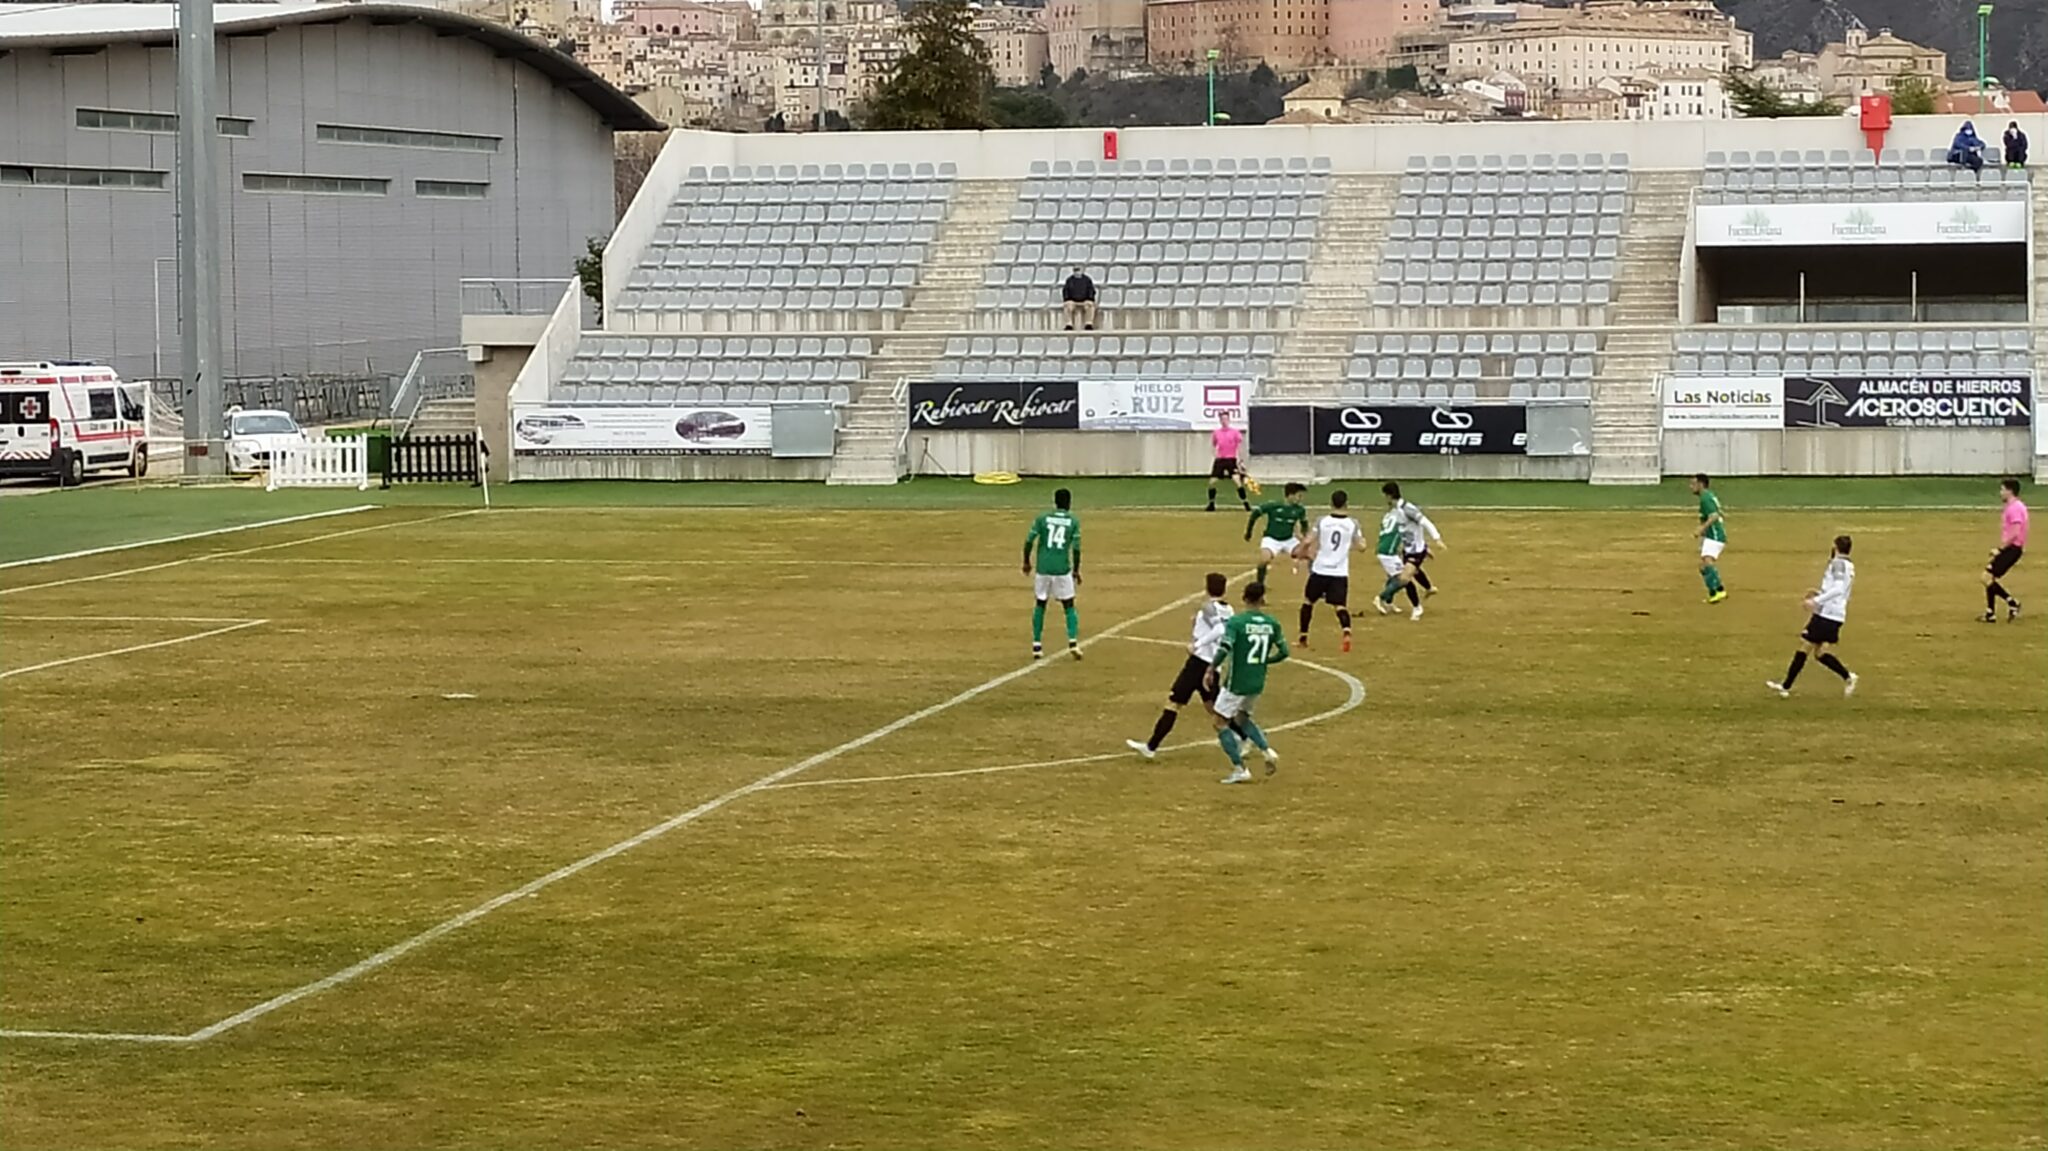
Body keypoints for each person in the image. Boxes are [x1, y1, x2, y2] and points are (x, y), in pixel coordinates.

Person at [1126, 572, 1249, 760]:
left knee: (1174, 702)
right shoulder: (1229, 609)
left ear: (1207, 587)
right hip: (1212, 664)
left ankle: (1151, 747)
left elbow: (1219, 629)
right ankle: (1242, 736)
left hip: (1199, 663)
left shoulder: (1208, 607)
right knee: (1214, 709)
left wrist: (1197, 644)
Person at [1204, 581, 1289, 784]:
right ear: (1263, 599)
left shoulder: (1237, 622)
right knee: (1242, 718)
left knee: (1219, 722)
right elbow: (1284, 652)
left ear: (1244, 598)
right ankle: (1266, 750)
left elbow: (1225, 647)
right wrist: (1265, 661)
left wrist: (1210, 668)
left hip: (1237, 680)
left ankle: (1240, 768)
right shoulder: (1273, 623)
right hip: (1257, 680)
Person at [1768, 535, 1859, 699]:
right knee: (1819, 654)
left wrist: (1815, 601)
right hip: (1835, 613)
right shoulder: (1849, 566)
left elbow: (1838, 589)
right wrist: (1821, 594)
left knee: (1805, 646)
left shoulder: (1837, 564)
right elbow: (1840, 590)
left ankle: (1785, 687)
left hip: (1828, 614)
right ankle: (1848, 677)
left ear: (1836, 547)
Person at [1300, 489, 1368, 652]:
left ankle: (1303, 637)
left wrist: (1302, 553)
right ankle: (1346, 631)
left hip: (1320, 569)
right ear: (1346, 504)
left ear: (1331, 503)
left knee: (1308, 602)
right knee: (1340, 606)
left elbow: (1308, 540)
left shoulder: (1322, 521)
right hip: (1339, 572)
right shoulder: (1353, 523)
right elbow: (1362, 547)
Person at [1023, 488, 1082, 660]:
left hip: (1043, 568)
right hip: (1062, 569)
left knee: (1040, 604)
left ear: (1055, 502)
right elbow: (1076, 548)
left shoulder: (1042, 519)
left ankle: (1036, 645)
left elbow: (1029, 541)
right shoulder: (1073, 521)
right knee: (1069, 605)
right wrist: (1076, 570)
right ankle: (1072, 641)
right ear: (1069, 503)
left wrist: (1026, 561)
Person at [1372, 482, 1444, 621]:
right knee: (1410, 574)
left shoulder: (1407, 509)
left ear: (1389, 495)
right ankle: (1428, 589)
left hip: (1416, 551)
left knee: (1405, 578)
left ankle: (1412, 607)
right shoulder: (1396, 511)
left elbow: (1425, 522)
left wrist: (1437, 539)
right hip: (1408, 550)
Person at [1246, 482, 1311, 584]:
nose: (1301, 499)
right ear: (1290, 495)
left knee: (1310, 556)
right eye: (1299, 496)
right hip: (1271, 539)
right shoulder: (1273, 506)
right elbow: (1255, 514)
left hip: (1289, 539)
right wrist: (1249, 532)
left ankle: (1315, 583)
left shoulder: (1300, 510)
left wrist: (1306, 539)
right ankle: (1260, 584)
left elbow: (1304, 526)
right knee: (1264, 560)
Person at [1983, 477, 2028, 622]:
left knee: (1986, 577)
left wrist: (2000, 549)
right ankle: (1990, 613)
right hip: (2013, 548)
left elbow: (2015, 533)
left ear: (2010, 491)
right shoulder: (2016, 506)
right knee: (1990, 577)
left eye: (2002, 489)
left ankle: (2012, 603)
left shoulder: (2014, 508)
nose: (2000, 493)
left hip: (2012, 549)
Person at [1691, 473, 1728, 604]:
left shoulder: (1705, 498)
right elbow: (1718, 511)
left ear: (1701, 484)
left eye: (1693, 484)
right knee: (1703, 566)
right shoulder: (1709, 496)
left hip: (1714, 535)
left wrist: (1701, 528)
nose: (1691, 487)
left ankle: (1719, 590)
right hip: (1712, 534)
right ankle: (1714, 591)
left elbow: (1713, 516)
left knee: (1707, 561)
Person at [1206, 412, 1250, 513]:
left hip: (1231, 460)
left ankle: (1246, 503)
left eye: (1226, 419)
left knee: (1237, 481)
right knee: (1212, 482)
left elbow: (1240, 447)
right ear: (1220, 421)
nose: (1224, 421)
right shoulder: (1216, 433)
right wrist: (1215, 455)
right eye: (1222, 419)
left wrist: (1241, 460)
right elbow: (1213, 445)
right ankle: (1211, 504)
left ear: (1229, 420)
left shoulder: (1235, 432)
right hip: (1220, 460)